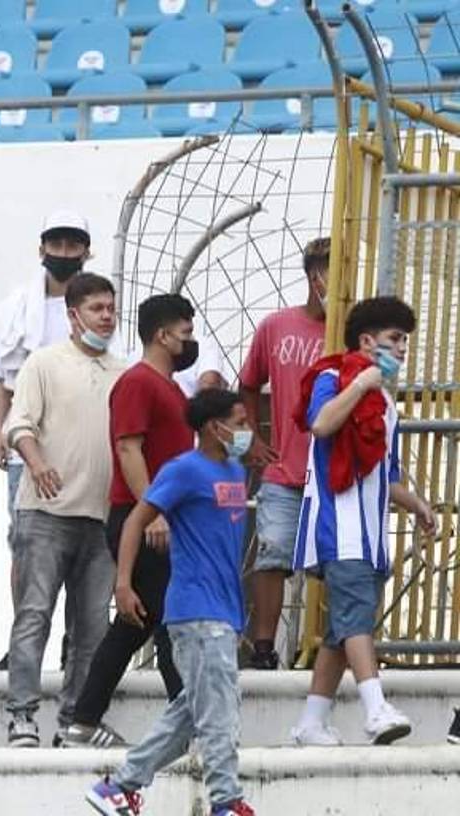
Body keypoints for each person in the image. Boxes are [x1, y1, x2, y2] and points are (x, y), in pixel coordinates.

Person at [87, 389, 256, 816]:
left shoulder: (236, 471)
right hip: (196, 611)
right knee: (218, 710)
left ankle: (120, 786)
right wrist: (123, 584)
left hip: (225, 611)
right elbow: (134, 523)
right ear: (212, 427)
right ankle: (226, 800)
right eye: (237, 423)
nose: (245, 431)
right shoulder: (183, 471)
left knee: (192, 709)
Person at [289, 296, 436, 746]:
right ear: (367, 341)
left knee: (341, 630)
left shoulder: (386, 402)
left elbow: (383, 475)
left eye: (405, 341)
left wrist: (415, 504)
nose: (402, 349)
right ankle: (375, 708)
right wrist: (360, 386)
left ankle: (312, 722)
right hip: (340, 525)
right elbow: (320, 425)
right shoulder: (333, 377)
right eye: (395, 339)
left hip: (370, 534)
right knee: (356, 622)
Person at [60, 293, 198, 748]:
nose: (189, 340)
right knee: (159, 621)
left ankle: (87, 718)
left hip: (159, 518)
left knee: (144, 620)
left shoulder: (170, 387)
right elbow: (128, 448)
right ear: (162, 334)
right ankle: (185, 719)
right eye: (185, 331)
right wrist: (152, 510)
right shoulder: (139, 383)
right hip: (143, 518)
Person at [2, 273, 126, 748]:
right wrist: (36, 463)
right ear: (73, 315)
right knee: (34, 615)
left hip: (102, 520)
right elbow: (20, 424)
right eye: (97, 308)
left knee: (93, 625)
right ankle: (22, 715)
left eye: (111, 308)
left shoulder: (123, 372)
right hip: (45, 514)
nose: (107, 317)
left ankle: (76, 719)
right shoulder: (44, 363)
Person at [0, 210, 91, 671]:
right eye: (58, 244)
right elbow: (7, 378)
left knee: (85, 549)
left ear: (86, 251)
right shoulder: (17, 307)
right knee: (27, 548)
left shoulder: (101, 307)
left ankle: (77, 642)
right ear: (42, 248)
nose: (65, 253)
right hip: (29, 445)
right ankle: (24, 643)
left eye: (73, 245)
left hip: (85, 444)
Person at [238, 237, 329, 669]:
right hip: (285, 467)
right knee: (272, 554)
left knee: (336, 562)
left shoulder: (351, 333)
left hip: (336, 473)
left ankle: (331, 648)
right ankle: (262, 648)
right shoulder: (276, 326)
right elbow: (248, 383)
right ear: (315, 276)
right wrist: (253, 439)